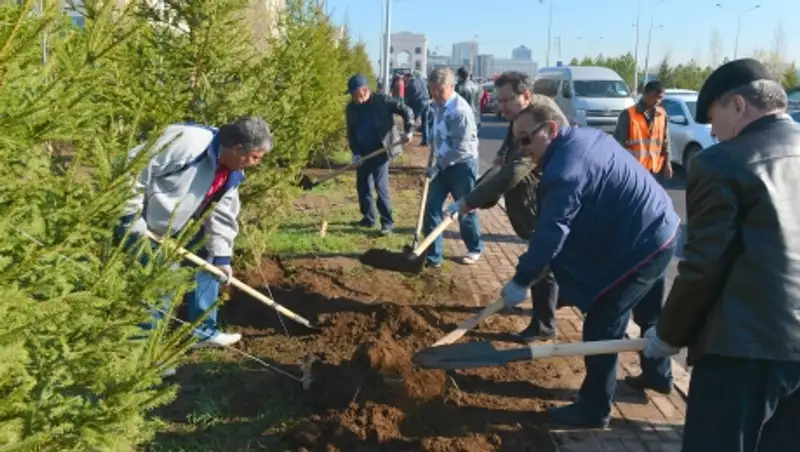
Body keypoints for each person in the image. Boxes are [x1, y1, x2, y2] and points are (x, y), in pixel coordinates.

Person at [642, 59, 800, 452]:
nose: (712, 132)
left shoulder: (721, 162)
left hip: (744, 349)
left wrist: (667, 334)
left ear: (738, 107)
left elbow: (703, 267)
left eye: (712, 117)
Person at [501, 97, 680, 428]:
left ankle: (594, 408)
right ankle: (658, 377)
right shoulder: (585, 138)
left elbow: (551, 235)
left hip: (642, 243)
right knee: (648, 313)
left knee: (601, 324)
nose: (522, 148)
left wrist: (521, 280)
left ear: (551, 129)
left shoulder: (563, 170)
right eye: (517, 140)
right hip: (661, 228)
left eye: (526, 139)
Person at [117, 117, 273, 359]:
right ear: (238, 148)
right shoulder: (189, 143)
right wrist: (130, 215)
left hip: (179, 223)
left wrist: (221, 257)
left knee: (209, 263)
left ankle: (202, 331)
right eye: (255, 157)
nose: (255, 164)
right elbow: (133, 165)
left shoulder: (232, 171)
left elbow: (222, 212)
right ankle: (144, 356)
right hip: (144, 225)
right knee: (159, 286)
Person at [445, 71, 559, 342]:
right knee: (546, 265)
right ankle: (548, 312)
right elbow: (503, 165)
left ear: (527, 96)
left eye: (508, 100)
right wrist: (476, 196)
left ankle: (544, 324)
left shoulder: (537, 125)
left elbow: (514, 171)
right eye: (499, 100)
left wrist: (470, 201)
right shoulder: (518, 122)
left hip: (550, 207)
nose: (501, 106)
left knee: (543, 264)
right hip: (536, 208)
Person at [424, 67, 484, 267]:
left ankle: (474, 248)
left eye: (439, 90)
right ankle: (433, 256)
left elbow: (461, 148)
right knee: (431, 207)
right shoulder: (437, 105)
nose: (435, 94)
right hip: (442, 165)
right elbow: (438, 135)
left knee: (465, 209)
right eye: (432, 89)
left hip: (462, 166)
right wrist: (434, 157)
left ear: (450, 87)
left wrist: (438, 165)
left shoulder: (460, 111)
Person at [345, 73, 414, 234]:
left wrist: (409, 130)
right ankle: (368, 218)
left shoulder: (382, 100)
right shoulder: (351, 108)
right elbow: (351, 132)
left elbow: (406, 110)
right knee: (362, 186)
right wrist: (355, 152)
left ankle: (387, 222)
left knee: (379, 186)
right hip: (363, 152)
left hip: (382, 150)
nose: (354, 98)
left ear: (363, 91)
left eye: (355, 94)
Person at [613, 80, 674, 181]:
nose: (657, 101)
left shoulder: (662, 114)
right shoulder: (628, 114)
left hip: (655, 170)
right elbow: (619, 143)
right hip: (633, 170)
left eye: (660, 98)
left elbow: (665, 142)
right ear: (644, 94)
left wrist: (667, 163)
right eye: (654, 96)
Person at [404, 72, 432, 146]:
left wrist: (407, 108)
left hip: (418, 104)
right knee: (425, 122)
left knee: (411, 121)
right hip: (427, 102)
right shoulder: (423, 81)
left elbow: (408, 98)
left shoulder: (411, 84)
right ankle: (426, 141)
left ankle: (407, 138)